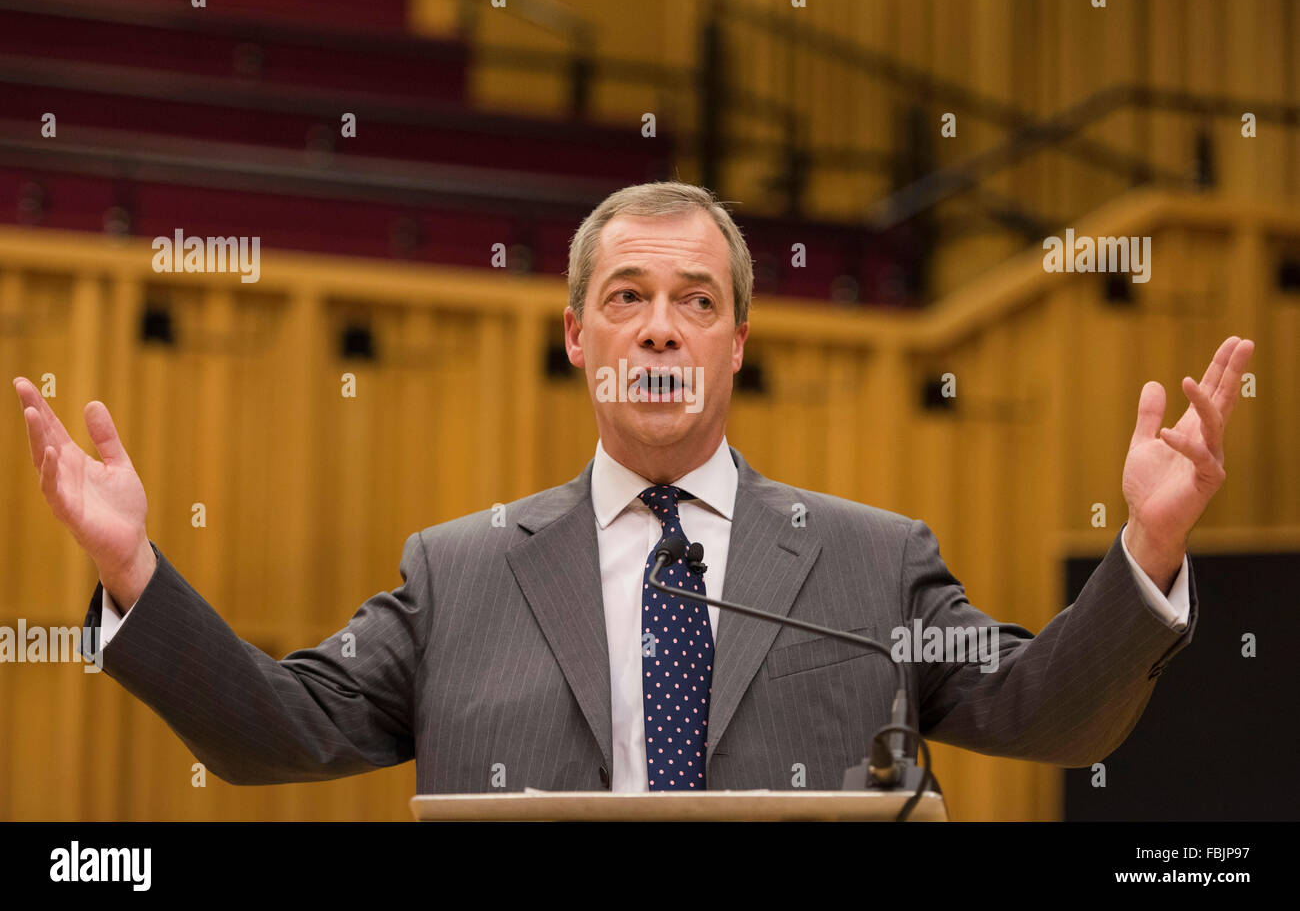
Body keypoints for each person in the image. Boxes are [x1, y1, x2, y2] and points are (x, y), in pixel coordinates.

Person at [12, 181, 1254, 794]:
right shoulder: (461, 572)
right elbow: (275, 734)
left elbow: (1048, 715)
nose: (660, 331)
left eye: (695, 303)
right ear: (575, 336)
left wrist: (1144, 546)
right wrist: (133, 569)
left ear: (736, 345)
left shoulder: (873, 562)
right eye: (628, 299)